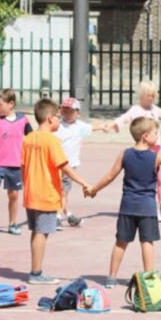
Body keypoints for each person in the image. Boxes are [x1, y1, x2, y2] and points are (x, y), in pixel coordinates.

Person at [86, 117, 161, 289]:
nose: (157, 136)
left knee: (121, 242)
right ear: (145, 136)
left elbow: (109, 176)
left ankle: (111, 278)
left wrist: (93, 190)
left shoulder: (125, 154)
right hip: (147, 208)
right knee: (147, 242)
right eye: (155, 133)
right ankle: (149, 278)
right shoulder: (155, 157)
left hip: (128, 206)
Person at [22, 99, 90, 285]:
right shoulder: (52, 141)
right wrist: (83, 182)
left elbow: (23, 166)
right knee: (42, 233)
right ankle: (36, 273)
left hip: (31, 193)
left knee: (36, 232)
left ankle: (36, 270)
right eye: (58, 117)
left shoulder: (28, 138)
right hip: (46, 194)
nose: (60, 121)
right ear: (51, 119)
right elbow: (65, 166)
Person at [106, 81, 161, 221]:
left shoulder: (154, 109)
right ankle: (153, 210)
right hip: (145, 150)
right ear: (141, 95)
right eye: (148, 95)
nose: (151, 98)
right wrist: (112, 125)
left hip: (157, 148)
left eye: (153, 95)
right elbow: (123, 118)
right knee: (150, 180)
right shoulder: (135, 110)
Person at [0, 89, 34, 237]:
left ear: (11, 104)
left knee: (13, 195)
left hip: (16, 164)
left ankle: (12, 223)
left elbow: (32, 136)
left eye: (0, 104)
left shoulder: (23, 119)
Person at [55, 97, 107, 229]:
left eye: (70, 111)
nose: (66, 113)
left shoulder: (80, 126)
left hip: (70, 165)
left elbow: (91, 127)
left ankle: (63, 214)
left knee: (63, 192)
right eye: (64, 110)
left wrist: (103, 127)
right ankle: (60, 216)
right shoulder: (57, 125)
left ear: (78, 113)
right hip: (56, 164)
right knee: (60, 192)